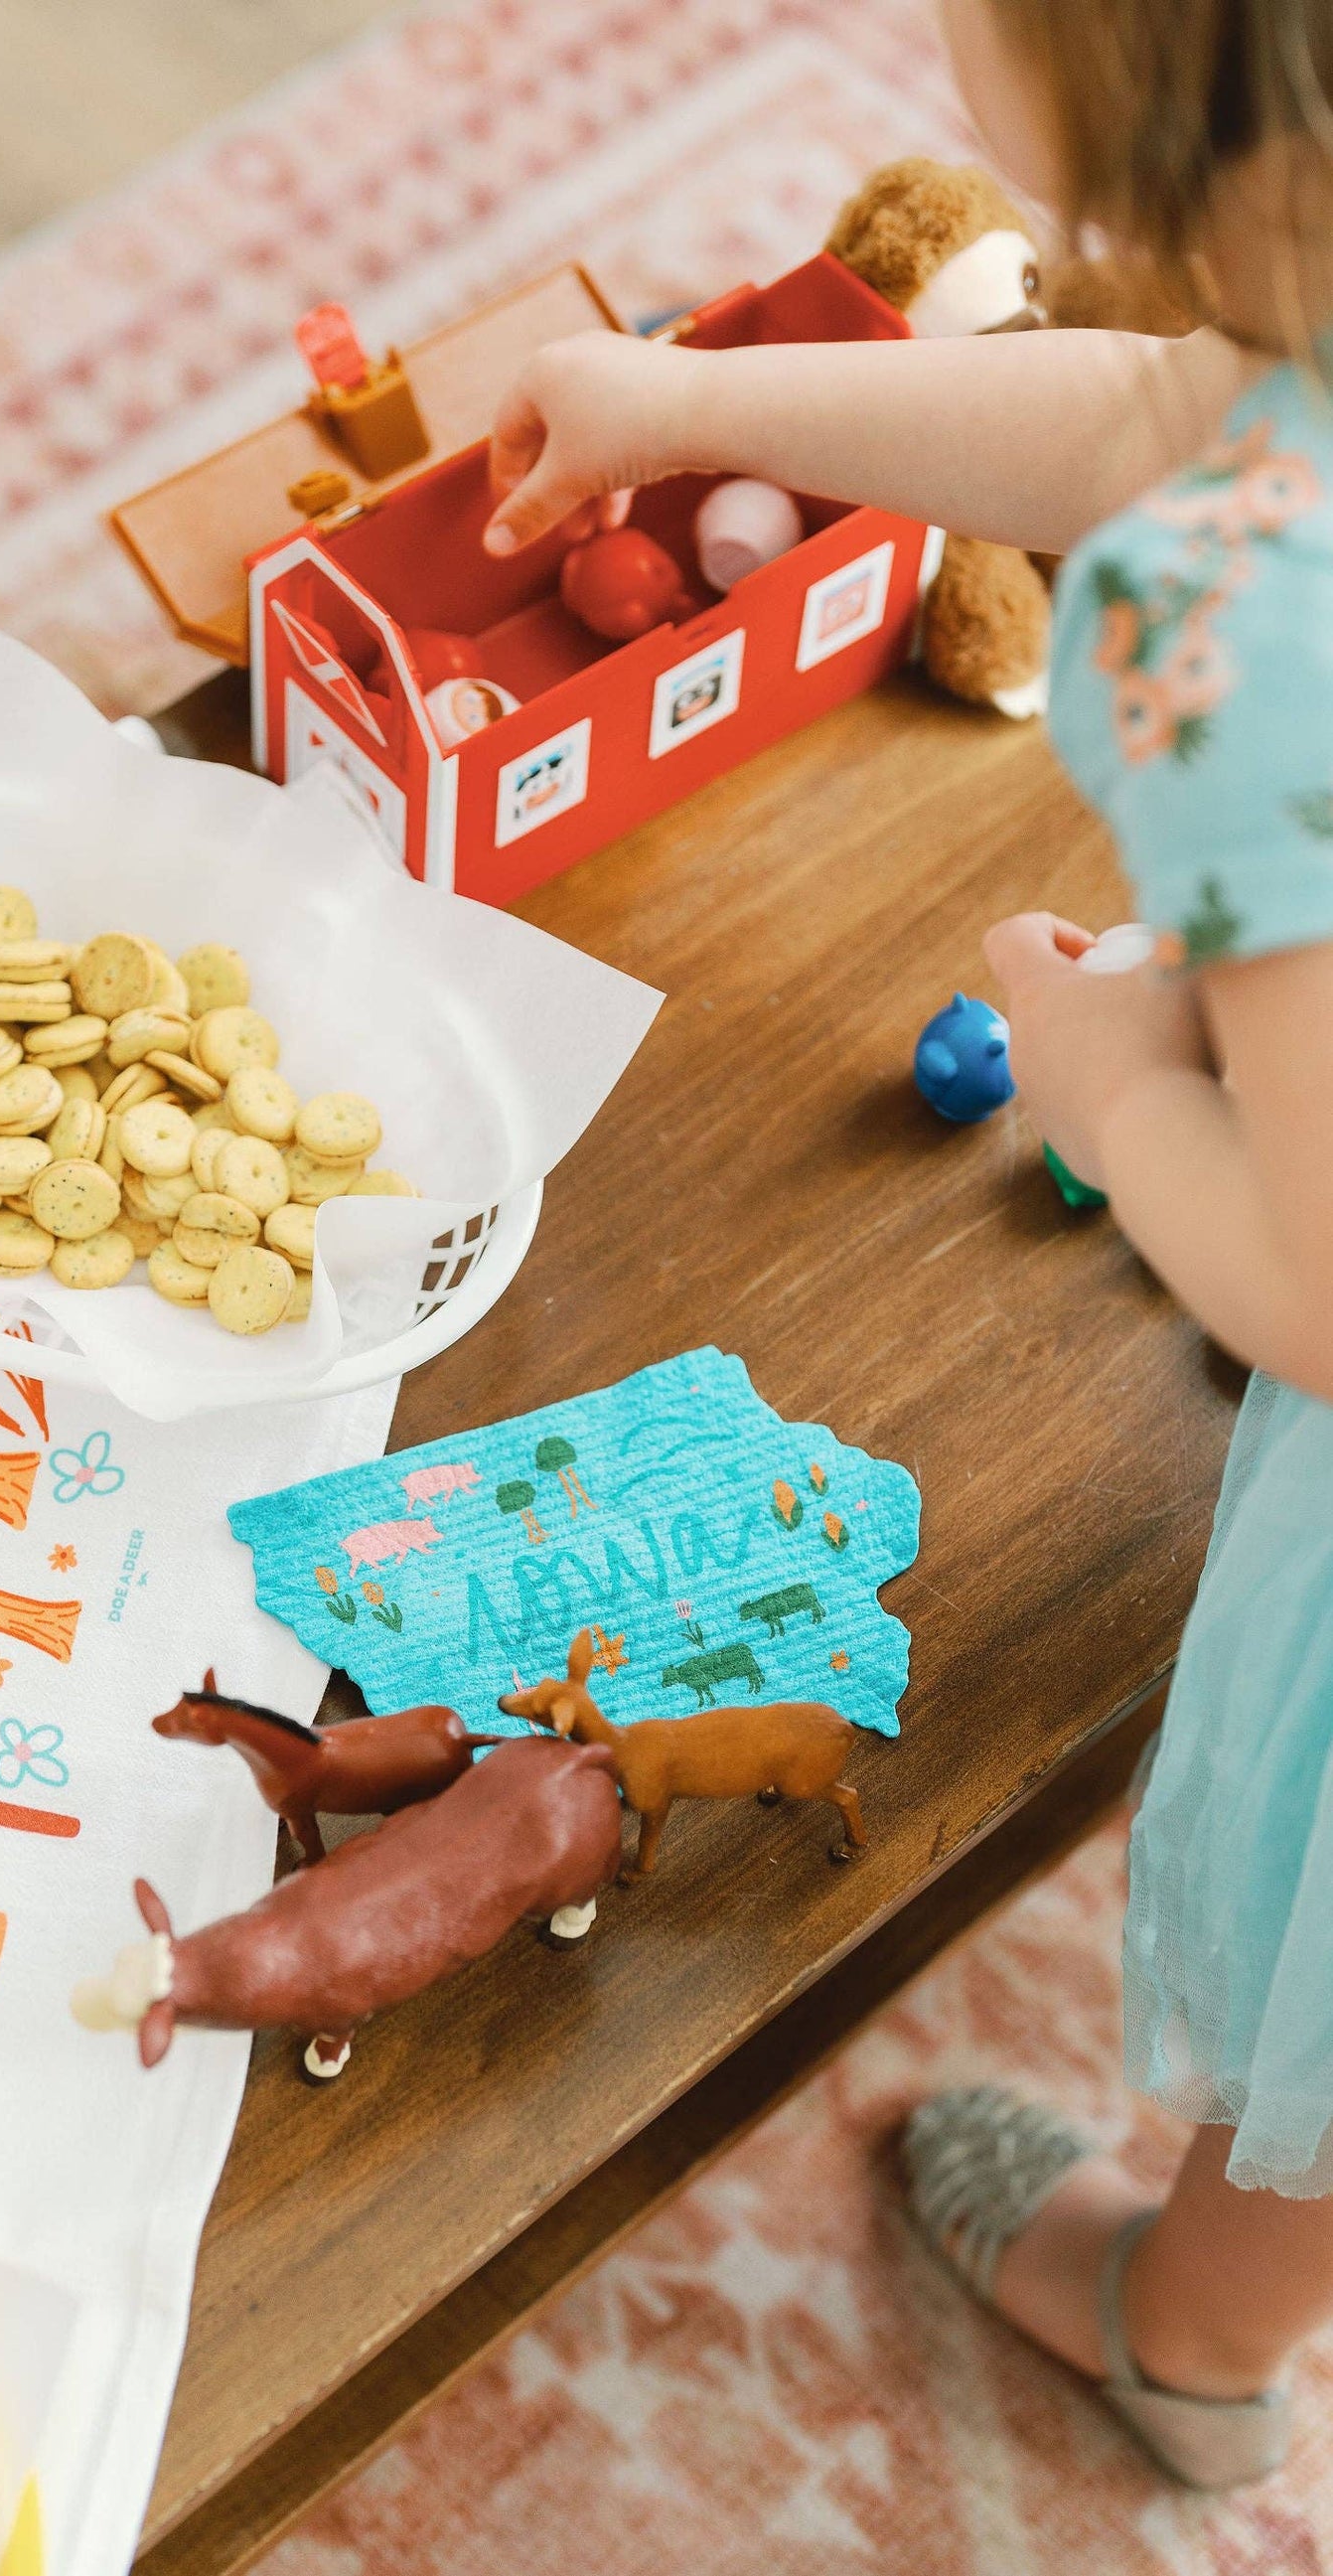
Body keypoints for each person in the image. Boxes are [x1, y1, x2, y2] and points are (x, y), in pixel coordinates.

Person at [482, 0, 1333, 2493]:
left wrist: (1117, 1093)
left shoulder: (1238, 621)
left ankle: (1181, 2336)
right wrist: (688, 410)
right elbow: (1139, 408)